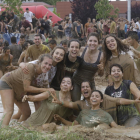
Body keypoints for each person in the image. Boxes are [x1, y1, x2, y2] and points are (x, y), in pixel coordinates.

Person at [0, 54, 53, 127]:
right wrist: (46, 90)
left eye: (50, 65)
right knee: (9, 110)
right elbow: (27, 88)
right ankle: (3, 132)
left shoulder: (43, 74)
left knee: (26, 113)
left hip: (19, 91)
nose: (47, 66)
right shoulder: (31, 67)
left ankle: (16, 128)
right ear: (39, 61)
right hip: (7, 82)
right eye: (45, 63)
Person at [53, 90, 118, 128]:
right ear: (90, 99)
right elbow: (73, 126)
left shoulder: (106, 115)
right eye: (92, 96)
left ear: (101, 100)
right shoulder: (83, 112)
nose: (94, 98)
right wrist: (61, 119)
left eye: (97, 96)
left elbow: (117, 128)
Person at [72, 33, 104, 101]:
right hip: (76, 81)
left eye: (95, 41)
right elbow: (72, 64)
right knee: (75, 103)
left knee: (93, 102)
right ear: (87, 41)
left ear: (98, 43)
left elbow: (100, 74)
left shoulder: (101, 55)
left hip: (90, 83)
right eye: (90, 41)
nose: (92, 43)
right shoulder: (81, 50)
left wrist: (101, 69)